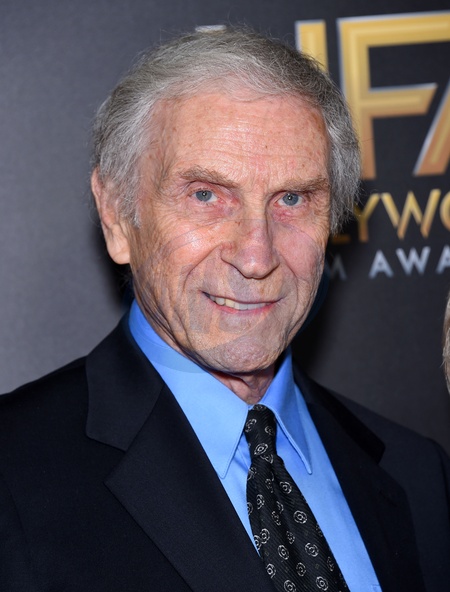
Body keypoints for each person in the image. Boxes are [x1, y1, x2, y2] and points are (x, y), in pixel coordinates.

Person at [0, 27, 449, 592]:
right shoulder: (14, 474)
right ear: (117, 216)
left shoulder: (417, 475)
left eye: (292, 199)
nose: (256, 256)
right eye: (206, 195)